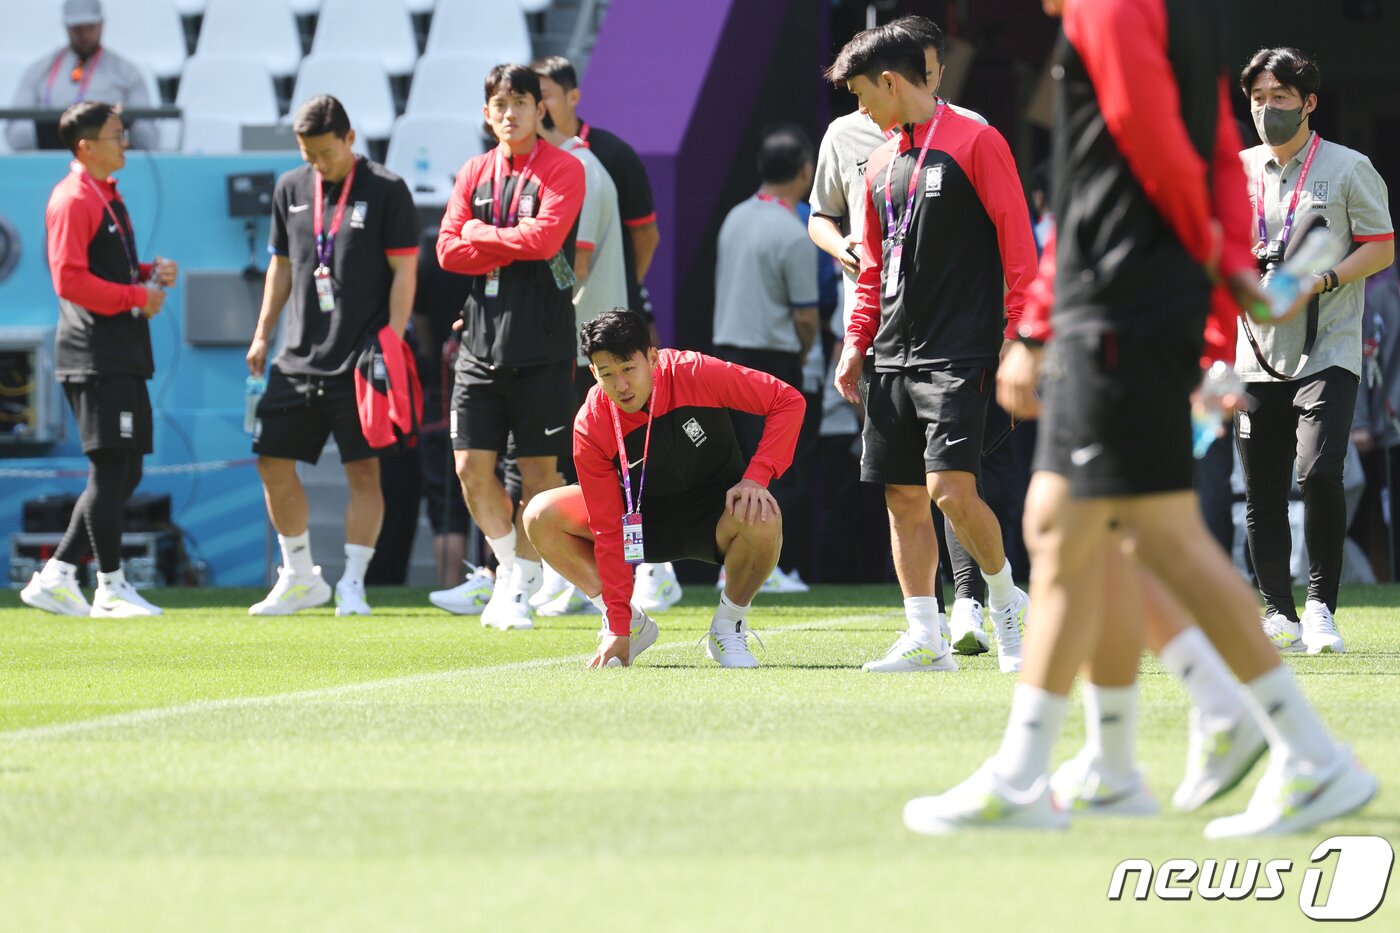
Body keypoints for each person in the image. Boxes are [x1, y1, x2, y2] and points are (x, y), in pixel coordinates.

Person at [903, 0, 1375, 840]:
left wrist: (1212, 276)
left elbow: (1152, 148)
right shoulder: (1179, 14)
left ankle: (1298, 752)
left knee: (1147, 536)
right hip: (1124, 302)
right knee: (1073, 526)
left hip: (1117, 307)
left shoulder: (1113, 6)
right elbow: (1195, 161)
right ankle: (1118, 762)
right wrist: (1219, 275)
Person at [827, 22, 1036, 674]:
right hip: (891, 352)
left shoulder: (978, 141)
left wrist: (1020, 337)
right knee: (902, 496)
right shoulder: (880, 161)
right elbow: (870, 267)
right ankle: (924, 634)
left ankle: (1005, 605)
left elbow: (1020, 250)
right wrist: (855, 343)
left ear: (891, 82)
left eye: (863, 95)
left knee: (949, 489)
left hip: (962, 350)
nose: (860, 109)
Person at [523, 309, 805, 668]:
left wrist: (757, 477)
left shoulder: (695, 371)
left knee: (763, 514)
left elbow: (787, 401)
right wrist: (619, 624)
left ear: (652, 358)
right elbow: (608, 529)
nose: (621, 385)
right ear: (593, 373)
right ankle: (630, 622)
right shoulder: (591, 423)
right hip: (638, 522)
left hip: (716, 515)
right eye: (607, 374)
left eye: (628, 369)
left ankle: (728, 627)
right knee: (540, 514)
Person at [1234, 48, 1394, 655]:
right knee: (1262, 490)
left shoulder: (1350, 168)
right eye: (1258, 101)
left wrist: (1319, 280)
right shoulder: (1236, 169)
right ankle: (1278, 611)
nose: (1268, 111)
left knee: (1319, 472)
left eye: (1279, 98)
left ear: (1309, 102)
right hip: (1253, 349)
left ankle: (1322, 606)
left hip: (1329, 346)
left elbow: (1380, 246)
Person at [245, 95, 419, 617]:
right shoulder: (290, 186)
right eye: (307, 154)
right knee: (272, 463)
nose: (317, 164)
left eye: (325, 153)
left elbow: (405, 271)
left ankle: (353, 583)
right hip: (296, 356)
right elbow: (280, 266)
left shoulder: (387, 189)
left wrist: (389, 339)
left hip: (361, 358)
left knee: (363, 473)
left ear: (350, 139)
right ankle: (300, 576)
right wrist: (262, 334)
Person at [435, 64, 585, 631]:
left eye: (521, 101)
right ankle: (507, 573)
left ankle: (518, 587)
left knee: (538, 476)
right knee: (470, 466)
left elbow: (546, 239)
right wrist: (502, 244)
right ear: (486, 113)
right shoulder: (474, 171)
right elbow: (447, 250)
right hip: (477, 341)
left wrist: (481, 236)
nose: (510, 113)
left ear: (539, 108)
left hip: (543, 345)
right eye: (499, 104)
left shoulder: (564, 168)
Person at [20, 100, 176, 618]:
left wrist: (147, 272)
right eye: (116, 133)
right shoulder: (72, 198)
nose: (125, 141)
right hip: (95, 354)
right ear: (86, 145)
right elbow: (68, 278)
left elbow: (104, 268)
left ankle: (59, 574)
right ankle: (109, 587)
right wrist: (137, 298)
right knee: (111, 467)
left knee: (126, 470)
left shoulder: (103, 193)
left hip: (120, 351)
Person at [712, 126, 820, 587]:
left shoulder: (735, 216)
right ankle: (766, 566)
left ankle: (735, 563)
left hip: (725, 358)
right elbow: (807, 317)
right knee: (776, 466)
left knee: (739, 464)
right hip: (773, 360)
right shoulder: (794, 232)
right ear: (804, 171)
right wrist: (806, 352)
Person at [6, 0, 157, 152]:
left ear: (102, 24)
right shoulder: (39, 71)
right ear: (66, 27)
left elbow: (149, 137)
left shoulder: (128, 74)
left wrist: (119, 133)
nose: (85, 35)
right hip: (52, 163)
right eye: (77, 29)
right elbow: (13, 133)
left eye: (90, 27)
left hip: (108, 164)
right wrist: (59, 131)